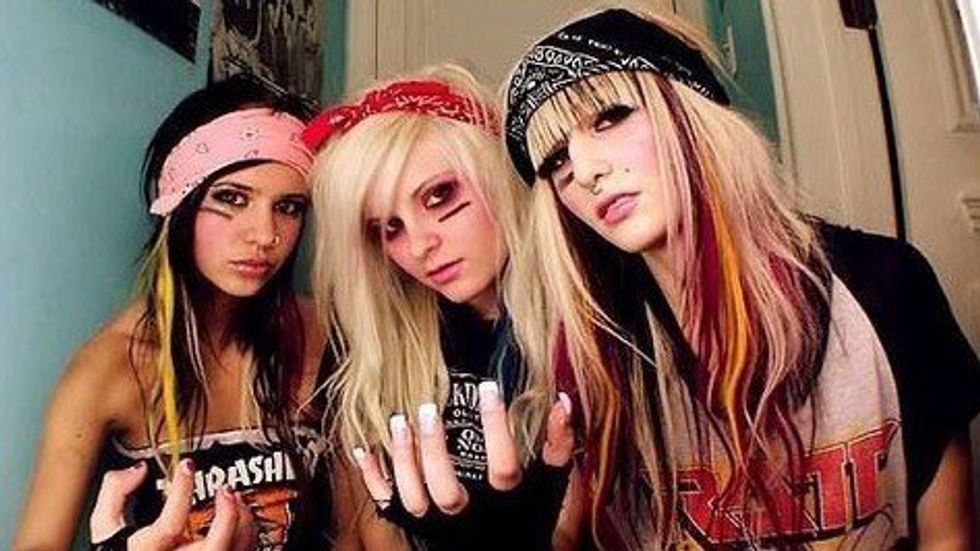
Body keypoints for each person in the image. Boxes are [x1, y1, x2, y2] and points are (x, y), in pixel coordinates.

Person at [503, 6, 980, 549]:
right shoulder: (594, 346)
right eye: (557, 161)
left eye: (609, 118)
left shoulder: (885, 283)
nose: (586, 172)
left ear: (693, 110)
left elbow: (948, 533)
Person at [14, 74, 330, 550]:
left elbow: (360, 532)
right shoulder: (111, 367)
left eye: (288, 207)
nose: (265, 235)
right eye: (232, 198)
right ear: (179, 202)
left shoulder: (322, 337)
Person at [302, 65, 576, 549]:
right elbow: (369, 530)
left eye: (439, 196)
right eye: (388, 228)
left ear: (496, 173)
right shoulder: (374, 343)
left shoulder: (588, 323)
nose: (419, 245)